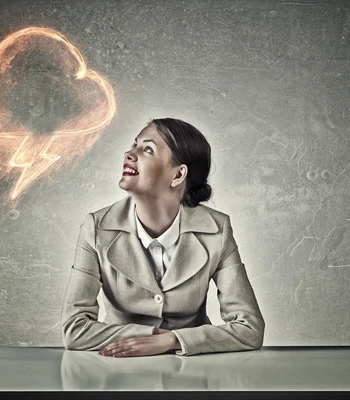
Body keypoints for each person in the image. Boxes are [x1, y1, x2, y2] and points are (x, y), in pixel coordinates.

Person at [61, 118, 265, 356]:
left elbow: (250, 328)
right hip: (118, 371)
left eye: (147, 149)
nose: (129, 153)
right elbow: (74, 330)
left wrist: (174, 341)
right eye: (134, 145)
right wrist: (156, 337)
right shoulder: (96, 227)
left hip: (194, 375)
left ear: (178, 175)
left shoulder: (217, 229)